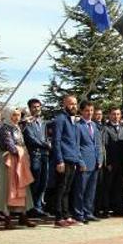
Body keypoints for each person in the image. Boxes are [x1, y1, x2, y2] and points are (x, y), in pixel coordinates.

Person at [0, 108, 36, 229]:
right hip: (7, 161)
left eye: (18, 115)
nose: (16, 117)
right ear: (8, 115)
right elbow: (10, 145)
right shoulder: (4, 128)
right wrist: (20, 150)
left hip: (20, 160)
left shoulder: (16, 127)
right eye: (13, 115)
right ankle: (7, 217)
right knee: (7, 187)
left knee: (23, 186)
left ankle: (23, 215)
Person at [51, 95, 83, 227]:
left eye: (75, 104)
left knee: (67, 189)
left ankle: (66, 214)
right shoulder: (60, 119)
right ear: (64, 105)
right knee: (61, 188)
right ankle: (58, 217)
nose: (74, 106)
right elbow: (56, 141)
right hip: (63, 159)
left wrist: (78, 160)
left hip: (72, 159)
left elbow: (75, 142)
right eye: (71, 104)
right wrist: (59, 160)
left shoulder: (73, 121)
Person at [72, 101, 102, 224]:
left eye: (91, 110)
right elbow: (76, 146)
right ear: (81, 111)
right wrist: (80, 162)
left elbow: (98, 144)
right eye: (87, 111)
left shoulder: (94, 126)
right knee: (80, 190)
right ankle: (79, 214)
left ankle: (88, 212)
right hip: (84, 163)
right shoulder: (78, 126)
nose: (89, 113)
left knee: (91, 190)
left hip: (95, 163)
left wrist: (100, 159)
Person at [22, 98, 50, 218]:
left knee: (43, 182)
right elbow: (30, 138)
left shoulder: (43, 122)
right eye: (34, 107)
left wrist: (48, 143)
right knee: (35, 182)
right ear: (29, 108)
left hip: (45, 155)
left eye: (38, 106)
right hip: (34, 155)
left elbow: (46, 136)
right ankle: (31, 207)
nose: (37, 109)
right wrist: (46, 144)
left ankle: (38, 206)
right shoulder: (27, 123)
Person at [100, 107, 123, 217]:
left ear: (120, 116)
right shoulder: (105, 129)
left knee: (120, 187)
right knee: (107, 187)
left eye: (117, 114)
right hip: (111, 164)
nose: (115, 116)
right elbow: (103, 147)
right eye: (113, 114)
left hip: (122, 164)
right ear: (109, 116)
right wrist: (107, 163)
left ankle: (118, 208)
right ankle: (106, 209)